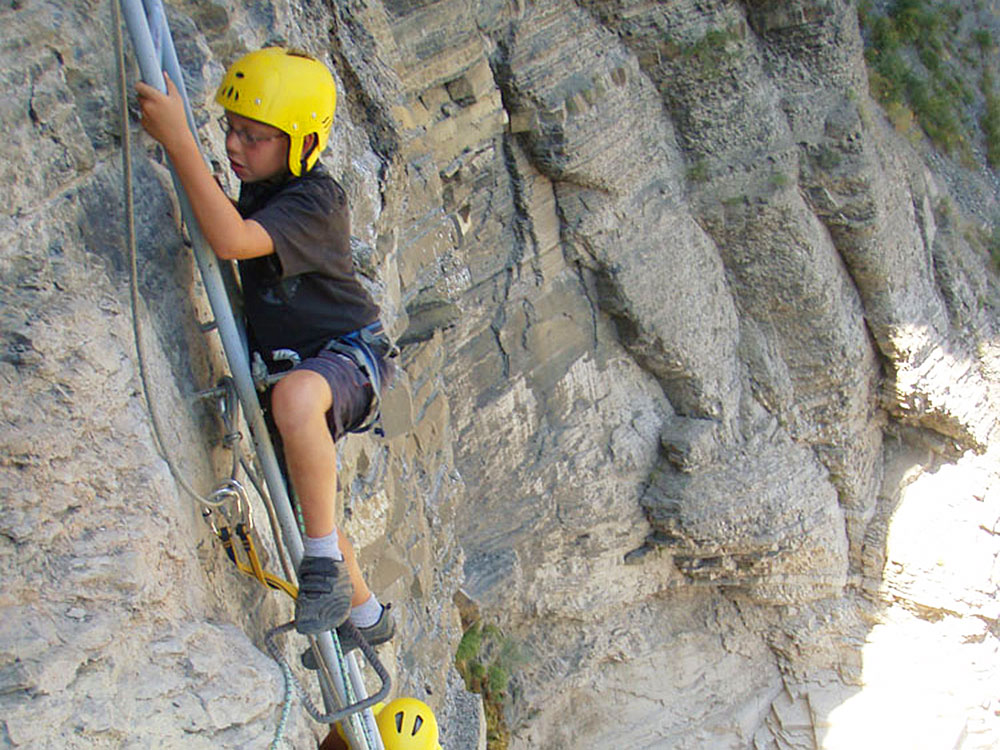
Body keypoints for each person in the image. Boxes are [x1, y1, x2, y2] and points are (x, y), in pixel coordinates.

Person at [135, 47, 395, 645]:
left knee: (299, 404)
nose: (233, 146)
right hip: (293, 369)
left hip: (349, 352)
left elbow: (226, 238)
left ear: (301, 144)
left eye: (254, 137)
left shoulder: (315, 202)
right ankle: (368, 618)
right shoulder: (266, 189)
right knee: (312, 507)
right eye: (231, 129)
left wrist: (180, 140)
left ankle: (325, 569)